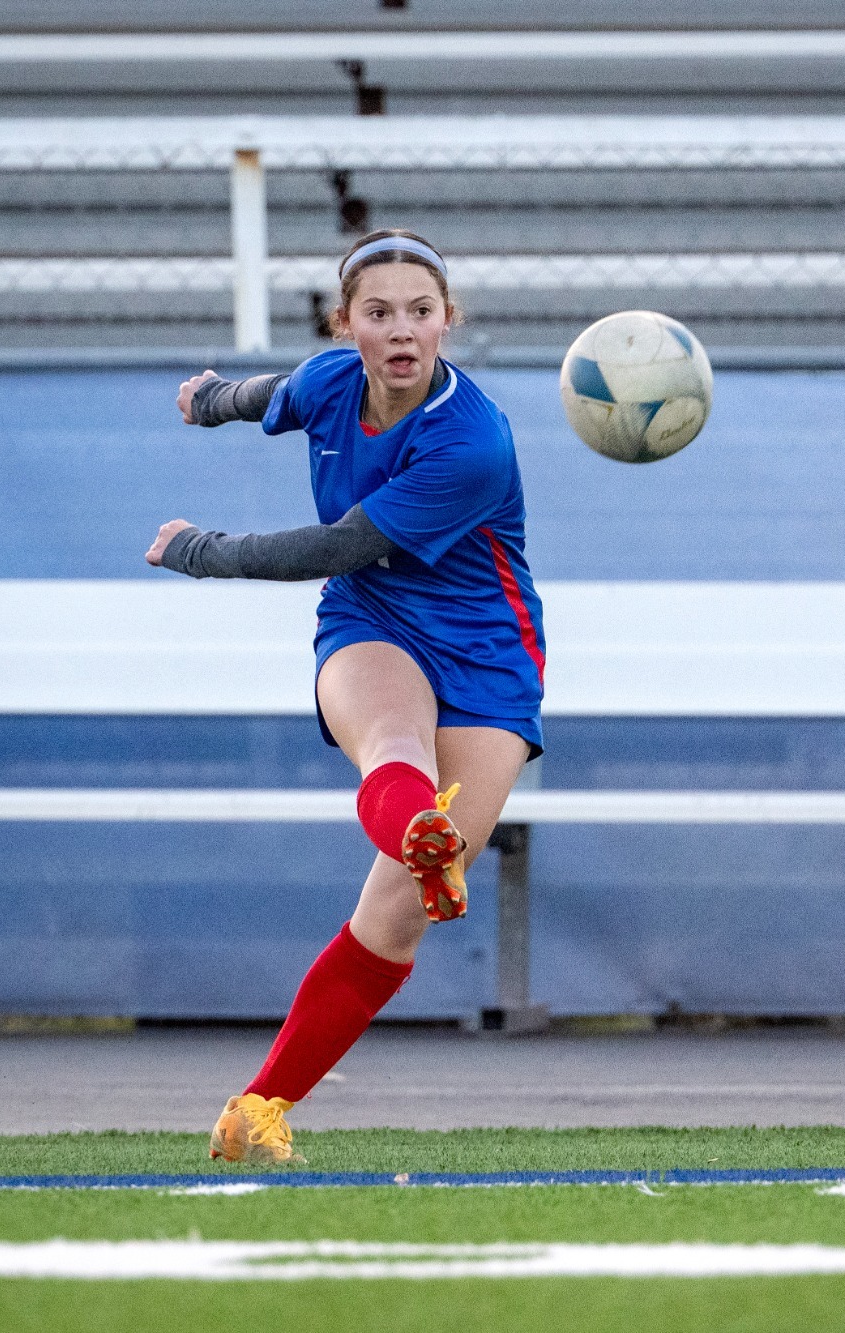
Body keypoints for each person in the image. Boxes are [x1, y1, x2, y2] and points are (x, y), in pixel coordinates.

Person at [147, 228, 545, 1166]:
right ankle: (417, 826)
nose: (402, 329)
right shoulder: (330, 380)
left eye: (420, 310)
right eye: (379, 312)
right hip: (371, 618)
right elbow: (268, 397)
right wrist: (211, 402)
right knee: (394, 741)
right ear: (347, 324)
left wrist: (206, 552)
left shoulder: (472, 439)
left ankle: (258, 1106)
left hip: (487, 652)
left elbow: (337, 544)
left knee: (400, 913)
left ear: (449, 320)